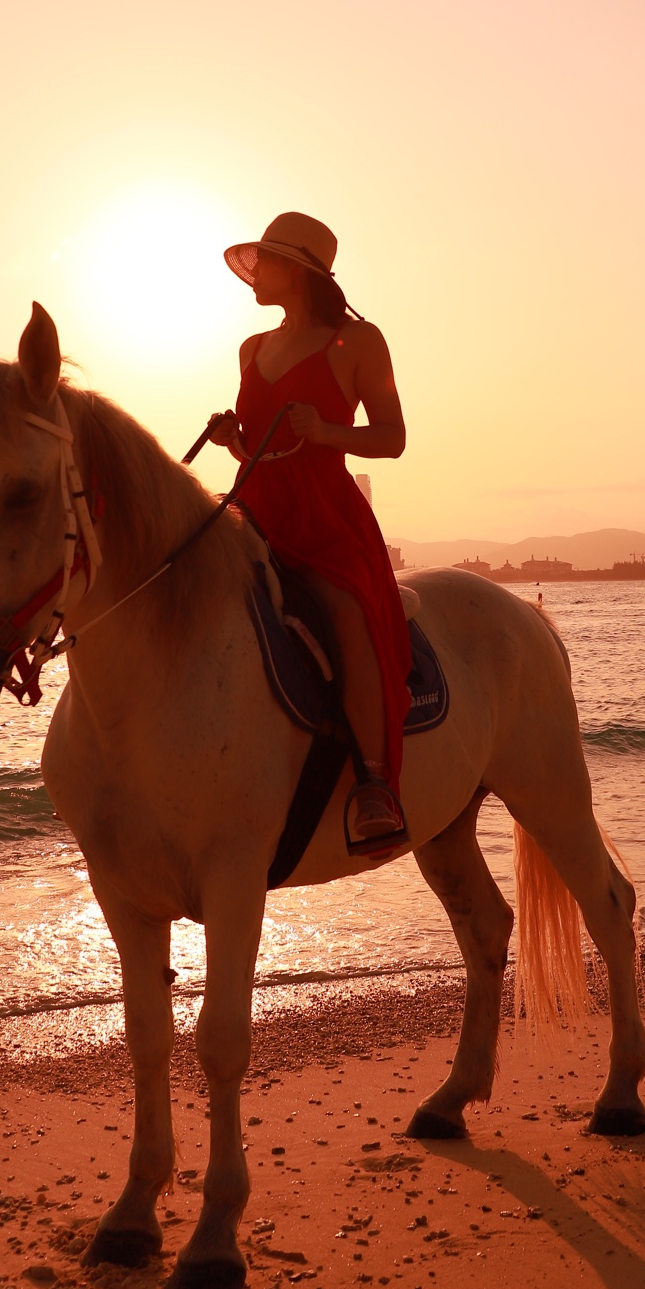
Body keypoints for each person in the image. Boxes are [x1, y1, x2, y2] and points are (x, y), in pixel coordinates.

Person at [208, 212, 411, 849]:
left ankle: (374, 783)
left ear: (295, 269)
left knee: (347, 613)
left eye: (264, 262)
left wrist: (326, 432)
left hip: (325, 512)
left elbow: (393, 437)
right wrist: (233, 439)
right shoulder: (251, 348)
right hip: (255, 506)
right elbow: (257, 448)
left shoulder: (359, 342)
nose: (254, 275)